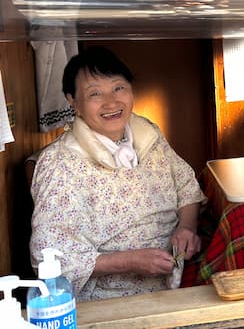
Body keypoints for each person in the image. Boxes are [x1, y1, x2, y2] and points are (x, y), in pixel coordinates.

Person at [29, 46, 207, 302]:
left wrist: (187, 228)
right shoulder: (59, 163)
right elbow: (52, 254)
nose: (111, 102)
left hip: (180, 273)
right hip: (112, 296)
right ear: (73, 102)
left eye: (118, 88)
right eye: (95, 94)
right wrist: (129, 262)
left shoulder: (148, 134)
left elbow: (186, 186)